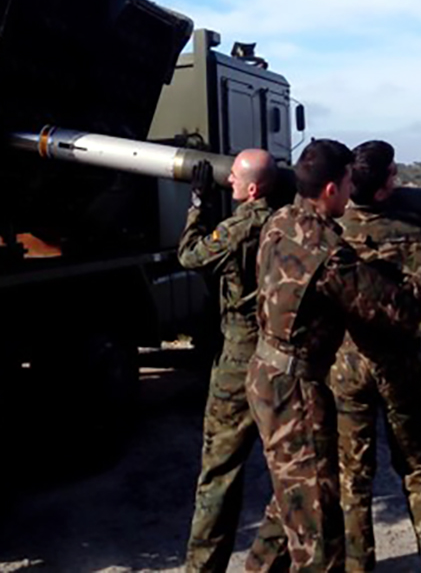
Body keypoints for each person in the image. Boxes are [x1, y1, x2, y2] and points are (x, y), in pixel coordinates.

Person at [245, 139, 421, 572]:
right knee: (319, 533)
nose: (350, 192)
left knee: (297, 497)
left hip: (275, 373)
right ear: (332, 188)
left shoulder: (281, 220)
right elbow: (397, 308)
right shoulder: (330, 253)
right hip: (299, 388)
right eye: (346, 183)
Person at [330, 141, 421, 573]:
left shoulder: (332, 230)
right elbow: (418, 302)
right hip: (401, 368)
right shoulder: (414, 229)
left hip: (347, 367)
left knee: (353, 478)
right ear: (384, 187)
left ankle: (358, 566)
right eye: (393, 172)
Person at [179, 148, 279, 573]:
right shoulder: (287, 223)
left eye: (235, 176)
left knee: (219, 471)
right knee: (291, 471)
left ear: (252, 189)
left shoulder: (239, 228)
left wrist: (198, 205)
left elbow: (190, 255)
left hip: (240, 355)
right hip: (279, 353)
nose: (229, 180)